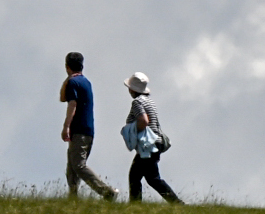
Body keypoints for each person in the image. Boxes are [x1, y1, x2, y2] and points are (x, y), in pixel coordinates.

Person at [60, 52, 116, 200]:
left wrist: (66, 126)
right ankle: (72, 198)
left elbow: (71, 103)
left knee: (78, 165)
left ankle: (106, 191)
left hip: (79, 130)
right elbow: (63, 97)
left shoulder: (73, 83)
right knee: (72, 168)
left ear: (67, 67)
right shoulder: (85, 82)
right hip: (88, 130)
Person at [120, 72, 182, 204]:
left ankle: (136, 206)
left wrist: (133, 133)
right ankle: (176, 203)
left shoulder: (137, 102)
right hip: (156, 143)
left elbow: (143, 121)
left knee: (135, 176)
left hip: (148, 145)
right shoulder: (150, 102)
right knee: (152, 178)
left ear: (132, 89)